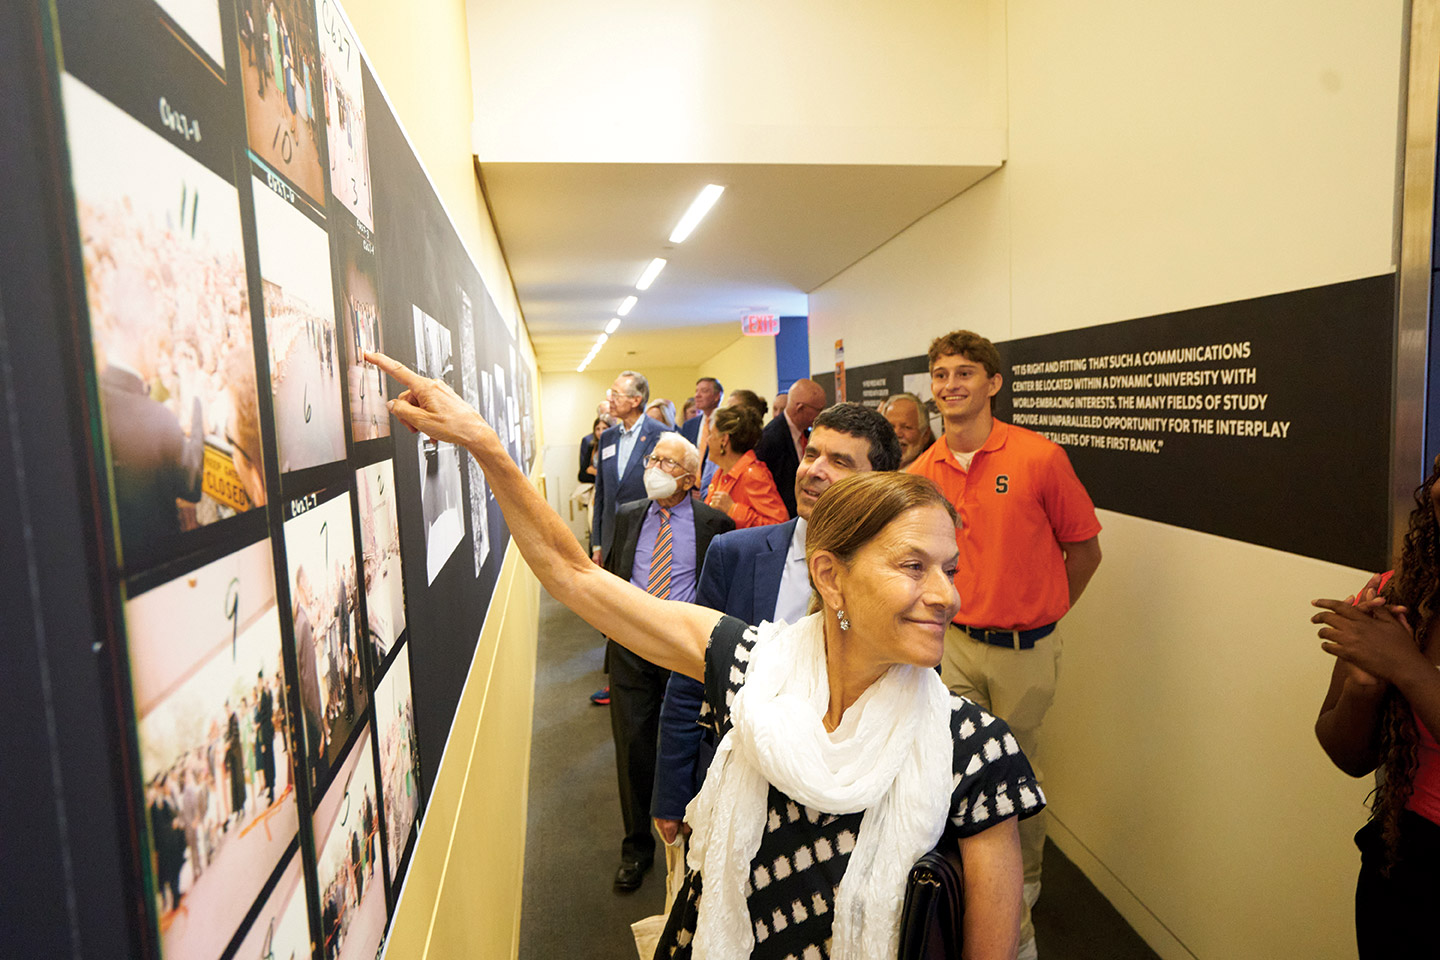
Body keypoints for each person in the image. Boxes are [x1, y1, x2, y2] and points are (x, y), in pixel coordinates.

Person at [367, 350, 1038, 960]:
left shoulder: (974, 754)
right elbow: (577, 578)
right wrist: (486, 446)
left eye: (948, 567)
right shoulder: (753, 666)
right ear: (832, 577)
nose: (946, 595)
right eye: (914, 567)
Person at [906, 329, 1102, 959]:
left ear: (993, 383)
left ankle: (1025, 888)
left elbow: (1085, 548)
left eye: (965, 373)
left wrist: (1043, 608)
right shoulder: (920, 470)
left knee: (1016, 776)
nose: (950, 385)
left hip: (1025, 651)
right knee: (956, 772)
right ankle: (969, 890)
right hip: (953, 643)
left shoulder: (1040, 457)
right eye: (940, 375)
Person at [653, 403, 902, 848]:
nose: (815, 471)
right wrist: (672, 793)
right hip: (739, 784)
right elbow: (692, 677)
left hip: (849, 800)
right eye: (812, 455)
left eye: (839, 462)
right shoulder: (735, 554)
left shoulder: (898, 576)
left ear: (876, 482)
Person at [1313, 455, 1440, 958]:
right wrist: (1365, 689)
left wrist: (1406, 668)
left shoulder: (1399, 643)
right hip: (1404, 870)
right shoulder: (1399, 592)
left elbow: (1406, 665)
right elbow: (1347, 756)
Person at [601, 434, 734, 891]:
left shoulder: (715, 523)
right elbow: (615, 573)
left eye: (666, 461)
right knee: (634, 748)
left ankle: (695, 840)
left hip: (685, 651)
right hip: (632, 648)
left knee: (688, 747)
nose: (654, 467)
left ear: (689, 477)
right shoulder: (627, 515)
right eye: (652, 458)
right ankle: (637, 849)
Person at [591, 371, 669, 564]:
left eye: (616, 395)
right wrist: (597, 544)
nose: (611, 400)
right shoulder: (607, 437)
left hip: (647, 535)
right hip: (610, 540)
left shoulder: (661, 436)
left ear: (636, 400)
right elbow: (601, 492)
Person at [753, 378, 827, 518]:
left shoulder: (806, 433)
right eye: (818, 410)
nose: (820, 415)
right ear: (800, 408)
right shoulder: (770, 439)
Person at [703, 407, 788, 529]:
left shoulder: (753, 475)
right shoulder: (720, 473)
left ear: (724, 440)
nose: (708, 440)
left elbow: (780, 526)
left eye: (711, 434)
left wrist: (733, 510)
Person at [881, 391, 935, 470]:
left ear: (925, 434)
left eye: (906, 427)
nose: (897, 434)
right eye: (890, 427)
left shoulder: (933, 473)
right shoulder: (870, 471)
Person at [680, 376, 723, 458]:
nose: (697, 395)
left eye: (704, 391)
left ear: (717, 396)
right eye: (696, 391)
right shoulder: (689, 425)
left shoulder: (725, 423)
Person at [579, 417, 604, 484]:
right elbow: (581, 476)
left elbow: (610, 477)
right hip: (594, 490)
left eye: (604, 428)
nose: (601, 432)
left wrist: (594, 471)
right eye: (598, 429)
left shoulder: (614, 448)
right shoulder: (592, 447)